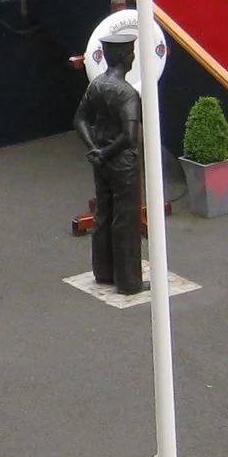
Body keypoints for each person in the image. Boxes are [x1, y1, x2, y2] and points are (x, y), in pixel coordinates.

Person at [76, 35, 144, 294]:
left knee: (103, 213)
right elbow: (129, 136)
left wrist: (94, 149)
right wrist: (105, 152)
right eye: (131, 53)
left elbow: (80, 119)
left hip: (101, 160)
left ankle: (103, 272)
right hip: (122, 162)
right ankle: (129, 281)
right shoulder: (127, 93)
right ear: (125, 57)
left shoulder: (97, 85)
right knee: (126, 218)